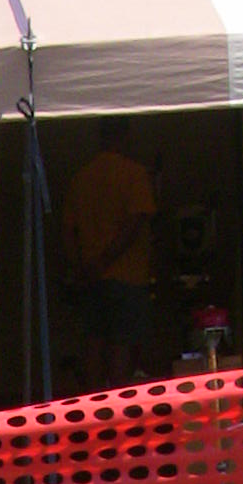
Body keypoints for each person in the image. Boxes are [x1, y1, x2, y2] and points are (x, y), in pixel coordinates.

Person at [61, 119, 157, 388]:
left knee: (93, 342)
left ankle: (92, 403)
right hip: (127, 277)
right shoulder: (134, 175)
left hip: (91, 278)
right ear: (124, 136)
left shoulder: (81, 178)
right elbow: (134, 224)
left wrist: (81, 267)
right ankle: (118, 404)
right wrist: (106, 260)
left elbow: (68, 231)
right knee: (122, 345)